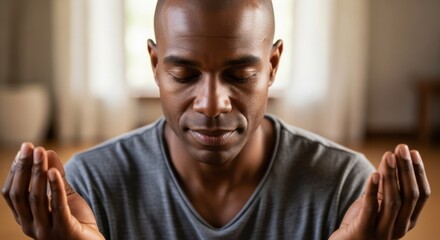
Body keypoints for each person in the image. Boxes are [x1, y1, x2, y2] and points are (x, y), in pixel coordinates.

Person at [1, 0, 431, 239]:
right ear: (154, 64)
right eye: (184, 74)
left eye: (240, 75)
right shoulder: (91, 186)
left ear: (273, 64)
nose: (211, 104)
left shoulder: (344, 187)